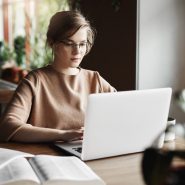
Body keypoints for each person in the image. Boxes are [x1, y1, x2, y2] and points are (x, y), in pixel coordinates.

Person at [0, 11, 116, 143]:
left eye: (82, 44)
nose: (77, 51)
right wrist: (62, 135)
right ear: (51, 42)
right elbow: (7, 127)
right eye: (69, 43)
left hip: (89, 155)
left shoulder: (95, 80)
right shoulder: (35, 81)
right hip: (47, 157)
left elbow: (122, 114)